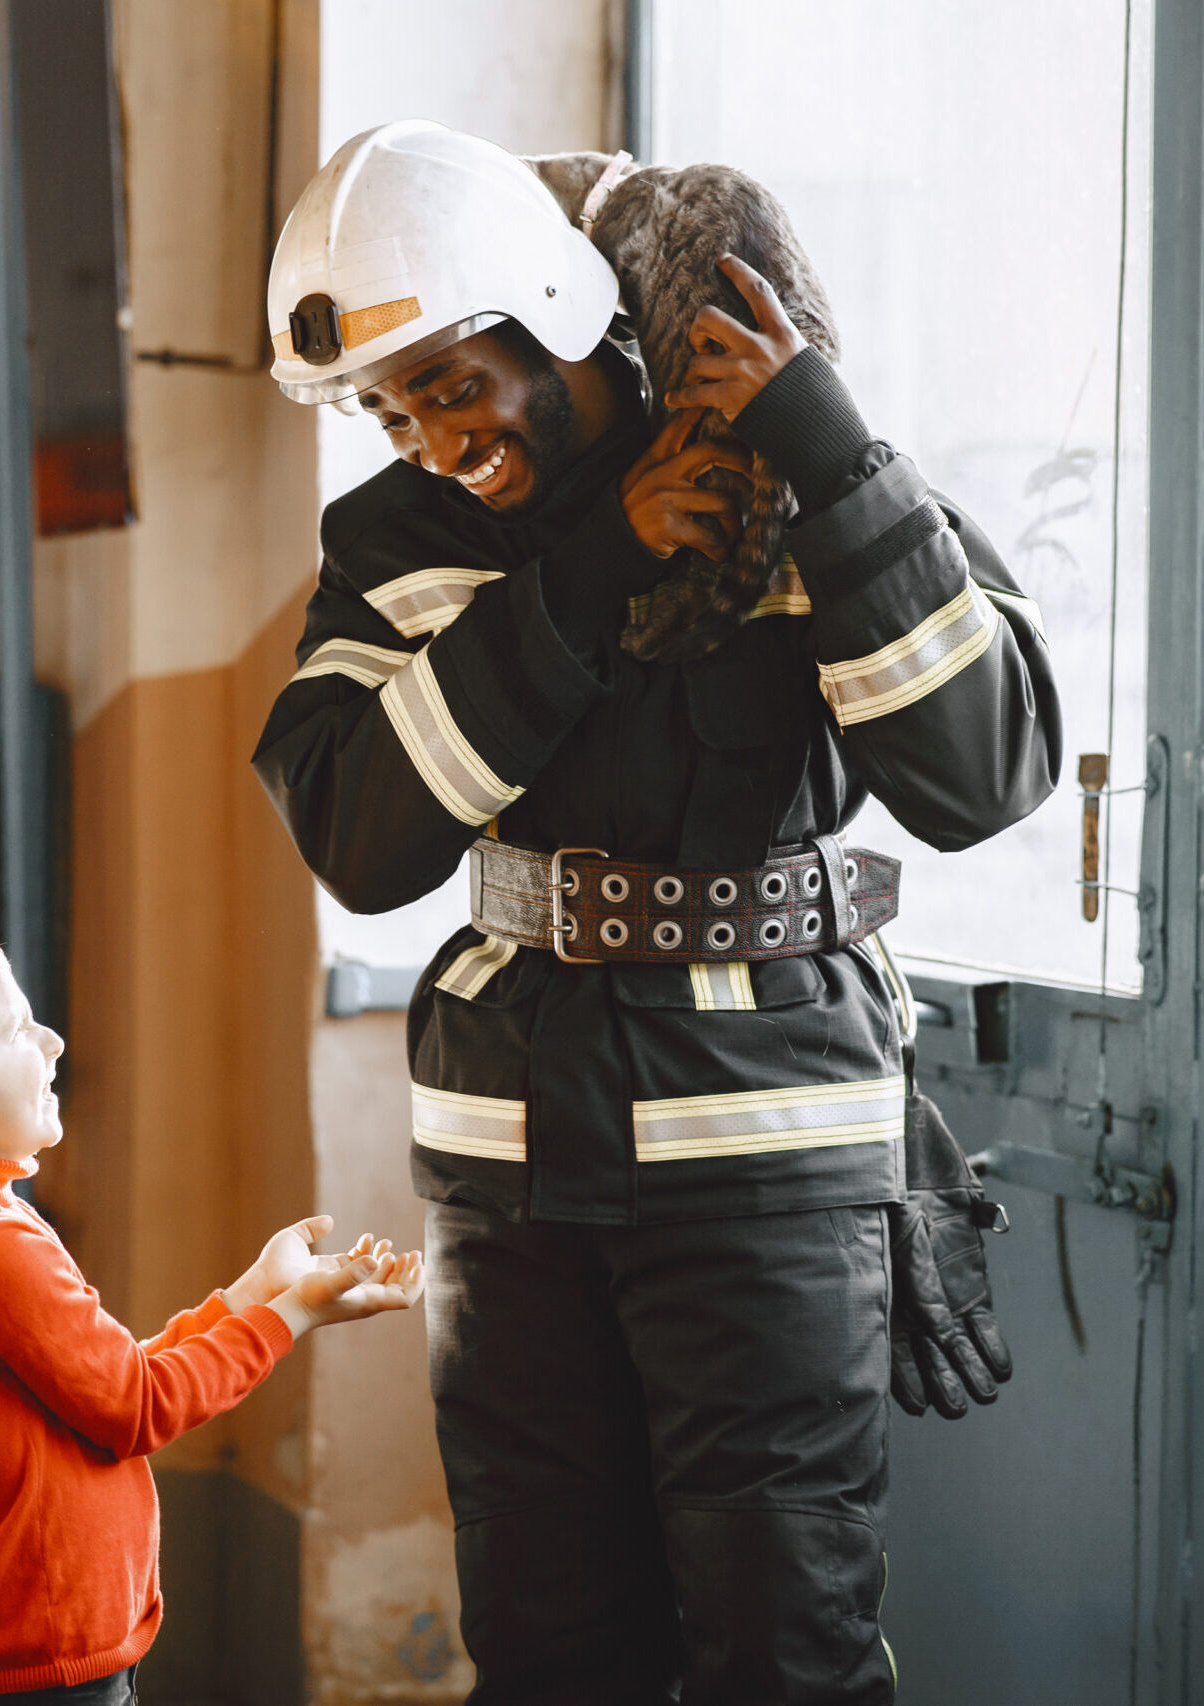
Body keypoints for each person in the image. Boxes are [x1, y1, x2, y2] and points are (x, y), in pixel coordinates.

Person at [252, 121, 1059, 1705]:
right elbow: (357, 832)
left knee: (783, 1650)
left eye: (454, 383)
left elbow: (983, 776)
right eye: (389, 409)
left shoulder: (802, 482)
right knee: (549, 1651)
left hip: (769, 1156)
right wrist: (584, 574)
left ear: (556, 314)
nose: (433, 440)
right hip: (511, 1166)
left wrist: (831, 454)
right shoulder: (404, 541)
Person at [0, 913, 424, 1705]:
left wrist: (252, 1292)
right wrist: (291, 1316)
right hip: (39, 1659)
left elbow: (104, 1385)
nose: (50, 1042)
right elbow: (139, 1408)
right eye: (16, 1030)